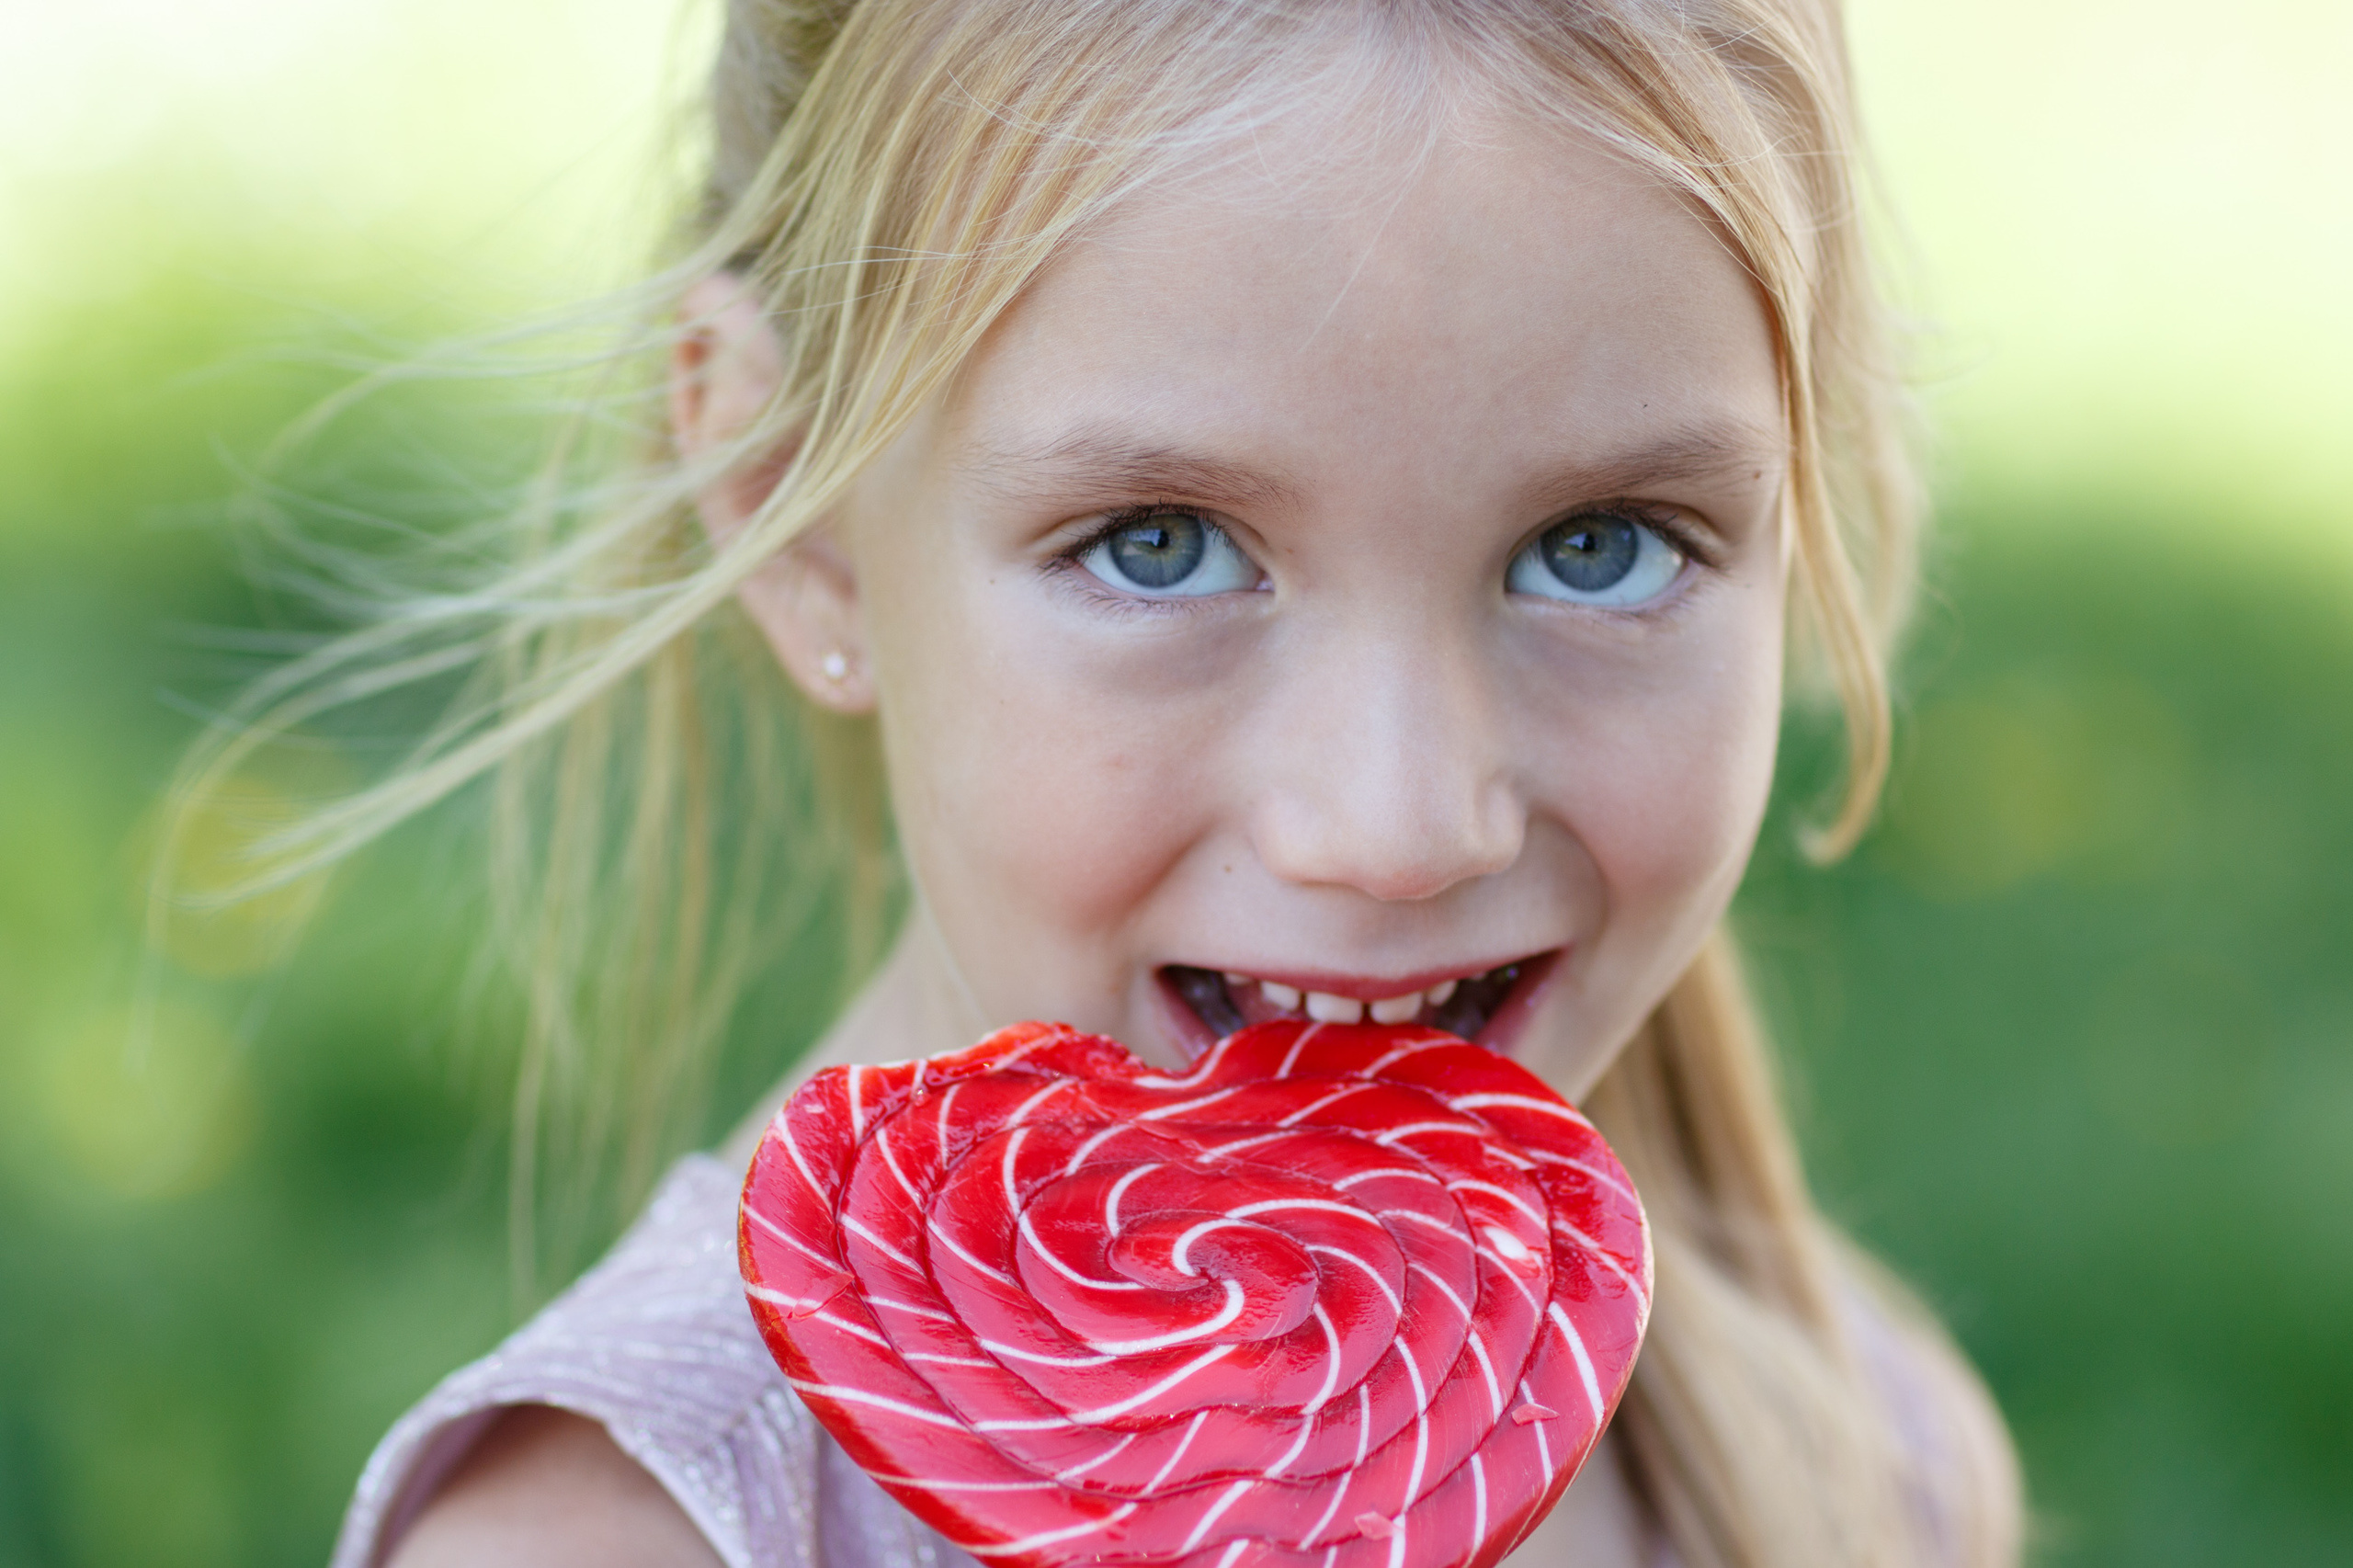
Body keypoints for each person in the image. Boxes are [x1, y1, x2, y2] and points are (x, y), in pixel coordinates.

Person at [200, 1, 2021, 1563]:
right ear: (794, 513)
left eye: (1602, 545)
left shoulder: (1848, 1453)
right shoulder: (604, 1541)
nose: (1394, 825)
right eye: (1157, 544)